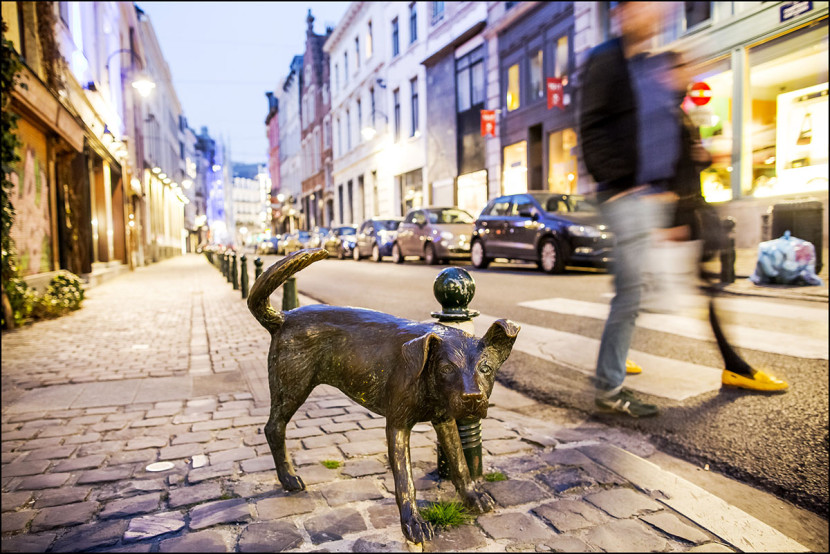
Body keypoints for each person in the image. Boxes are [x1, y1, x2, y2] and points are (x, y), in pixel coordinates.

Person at [578, 2, 681, 417]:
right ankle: (610, 387)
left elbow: (660, 124)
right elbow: (591, 126)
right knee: (630, 293)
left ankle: (611, 379)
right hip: (625, 194)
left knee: (637, 290)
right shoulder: (606, 60)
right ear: (623, 13)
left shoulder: (648, 63)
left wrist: (666, 188)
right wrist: (618, 184)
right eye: (645, 6)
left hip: (651, 194)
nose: (656, 13)